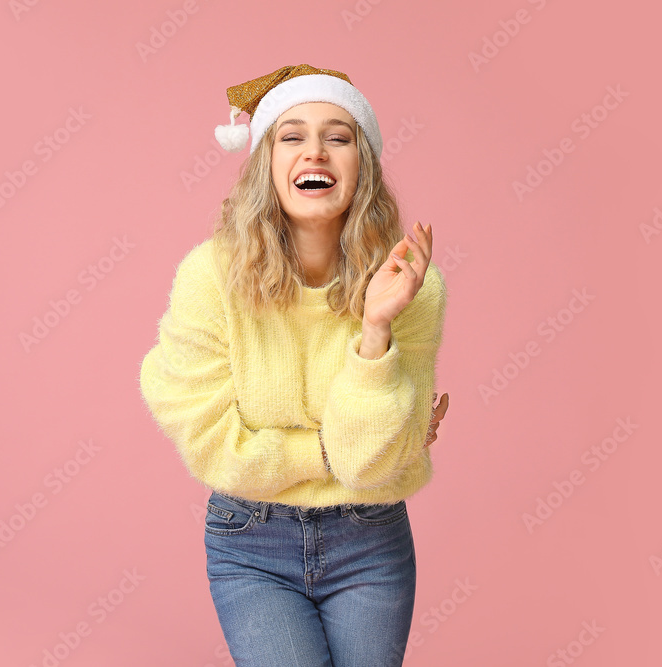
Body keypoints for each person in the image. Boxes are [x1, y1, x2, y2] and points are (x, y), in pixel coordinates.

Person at [139, 64, 450, 667]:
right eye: (292, 136)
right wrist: (331, 453)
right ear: (265, 163)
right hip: (250, 543)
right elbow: (211, 444)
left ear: (364, 165)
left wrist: (375, 331)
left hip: (371, 537)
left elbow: (371, 465)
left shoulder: (412, 284)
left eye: (338, 136)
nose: (316, 151)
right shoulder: (209, 278)